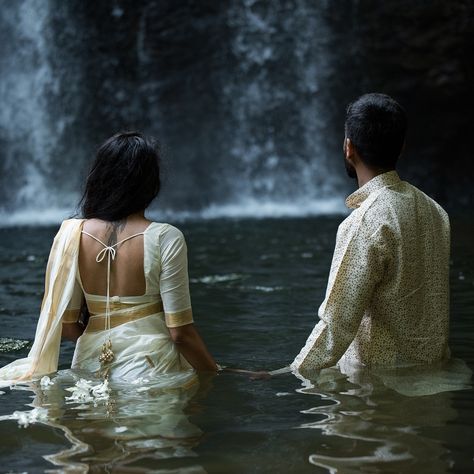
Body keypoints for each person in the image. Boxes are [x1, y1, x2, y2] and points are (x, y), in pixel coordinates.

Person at [0, 131, 217, 387]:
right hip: (152, 367)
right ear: (150, 183)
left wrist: (104, 341)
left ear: (100, 178)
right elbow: (180, 333)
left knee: (91, 425)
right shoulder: (165, 237)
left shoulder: (72, 235)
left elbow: (68, 325)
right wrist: (216, 373)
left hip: (90, 365)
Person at [287, 93, 451, 379]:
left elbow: (336, 325)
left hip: (380, 391)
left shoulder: (366, 222)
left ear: (348, 147)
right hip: (436, 379)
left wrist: (292, 374)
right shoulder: (436, 211)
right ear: (401, 148)